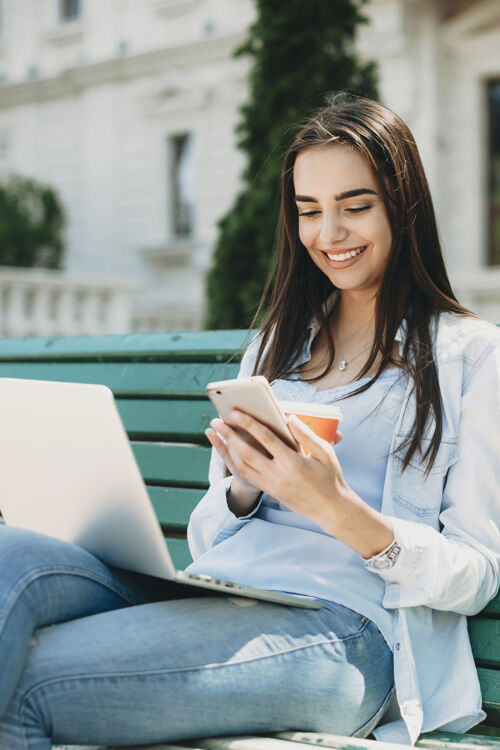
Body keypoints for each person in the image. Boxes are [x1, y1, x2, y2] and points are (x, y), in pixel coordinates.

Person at [0, 95, 499, 749]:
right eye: (309, 211)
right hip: (223, 595)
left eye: (356, 205)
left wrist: (336, 508)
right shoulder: (277, 348)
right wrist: (245, 486)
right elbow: (213, 541)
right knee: (11, 555)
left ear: (402, 206)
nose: (330, 233)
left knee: (31, 685)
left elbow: (476, 574)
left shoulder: (468, 355)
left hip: (348, 633)